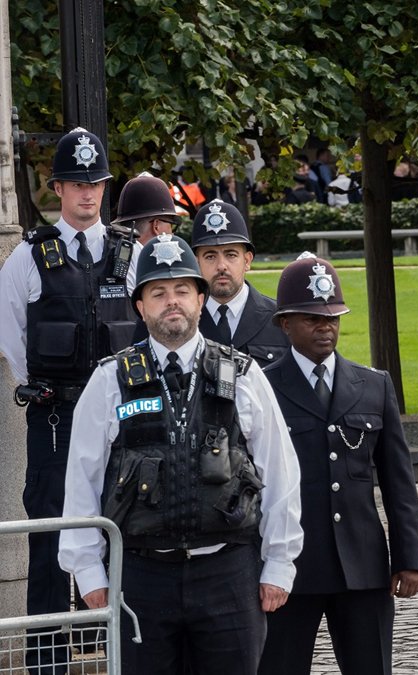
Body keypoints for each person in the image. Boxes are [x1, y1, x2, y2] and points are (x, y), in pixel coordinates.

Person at [58, 233, 303, 674]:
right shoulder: (109, 380)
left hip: (229, 573)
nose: (172, 302)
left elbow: (281, 472)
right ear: (141, 306)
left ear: (200, 298)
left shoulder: (243, 375)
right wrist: (89, 573)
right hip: (140, 576)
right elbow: (82, 480)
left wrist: (280, 563)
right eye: (159, 292)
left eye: (182, 290)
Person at [0, 127, 140, 673]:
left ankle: (122, 656)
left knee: (128, 530)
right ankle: (49, 662)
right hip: (56, 413)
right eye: (76, 184)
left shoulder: (131, 255)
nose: (87, 194)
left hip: (121, 417)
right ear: (56, 189)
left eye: (96, 184)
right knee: (51, 539)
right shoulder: (30, 258)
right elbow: (12, 335)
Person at [258, 254, 418, 674]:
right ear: (285, 323)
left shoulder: (373, 385)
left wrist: (409, 557)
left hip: (363, 568)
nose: (325, 327)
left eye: (332, 317)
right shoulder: (261, 387)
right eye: (312, 318)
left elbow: (398, 481)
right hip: (290, 569)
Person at [190, 200, 290, 367]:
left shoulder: (280, 320)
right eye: (210, 256)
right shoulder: (182, 320)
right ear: (196, 263)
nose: (221, 266)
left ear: (247, 260)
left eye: (231, 255)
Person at [113, 172, 180, 294]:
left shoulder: (110, 255)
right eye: (171, 225)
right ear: (156, 226)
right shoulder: (148, 268)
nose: (173, 235)